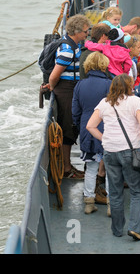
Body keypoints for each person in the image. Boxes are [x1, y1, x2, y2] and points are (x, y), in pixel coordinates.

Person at [86, 74, 140, 240]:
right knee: (136, 191)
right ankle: (134, 228)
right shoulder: (135, 101)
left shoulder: (105, 103)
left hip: (110, 151)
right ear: (129, 86)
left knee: (114, 192)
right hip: (130, 150)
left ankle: (117, 229)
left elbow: (90, 126)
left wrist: (104, 138)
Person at [45, 14, 91, 179]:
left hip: (71, 89)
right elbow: (55, 75)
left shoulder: (74, 44)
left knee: (70, 128)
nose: (87, 34)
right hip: (65, 91)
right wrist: (52, 86)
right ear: (77, 31)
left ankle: (67, 166)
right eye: (86, 31)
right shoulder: (68, 50)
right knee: (67, 129)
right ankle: (66, 169)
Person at [72, 52, 112, 215]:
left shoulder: (80, 85)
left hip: (87, 129)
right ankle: (111, 204)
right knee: (110, 168)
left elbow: (75, 111)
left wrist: (79, 125)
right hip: (107, 129)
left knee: (91, 167)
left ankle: (89, 201)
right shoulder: (109, 84)